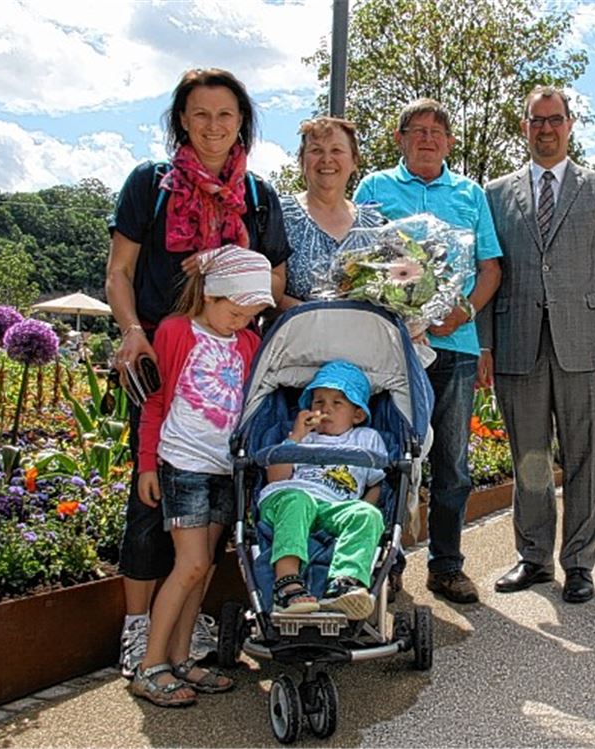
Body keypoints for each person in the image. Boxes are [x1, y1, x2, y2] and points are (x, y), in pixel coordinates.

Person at [106, 67, 291, 679]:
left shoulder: (258, 196)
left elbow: (274, 281)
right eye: (201, 114)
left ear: (242, 124)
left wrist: (228, 272)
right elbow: (120, 271)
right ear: (182, 120)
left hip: (227, 363)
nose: (214, 126)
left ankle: (185, 632)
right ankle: (140, 630)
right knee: (150, 500)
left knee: (215, 516)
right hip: (165, 355)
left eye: (226, 115)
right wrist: (132, 331)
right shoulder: (150, 184)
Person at [480, 86, 595, 604]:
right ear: (524, 126)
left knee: (585, 457)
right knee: (529, 456)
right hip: (517, 342)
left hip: (585, 344)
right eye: (536, 120)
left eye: (554, 119)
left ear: (570, 125)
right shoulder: (495, 193)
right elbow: (487, 271)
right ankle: (534, 557)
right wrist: (484, 345)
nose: (545, 129)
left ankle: (580, 563)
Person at [354, 98, 503, 604]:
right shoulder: (375, 187)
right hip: (392, 347)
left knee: (451, 464)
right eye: (417, 130)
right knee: (387, 455)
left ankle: (446, 566)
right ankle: (386, 565)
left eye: (437, 132)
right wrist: (398, 308)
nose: (427, 139)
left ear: (450, 142)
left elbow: (490, 268)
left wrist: (463, 312)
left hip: (454, 346)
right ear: (400, 139)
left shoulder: (470, 193)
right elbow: (359, 258)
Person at [129, 246, 273, 707]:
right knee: (189, 563)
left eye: (249, 316)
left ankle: (181, 656)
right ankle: (150, 665)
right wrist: (147, 463)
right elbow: (155, 401)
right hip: (184, 464)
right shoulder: (176, 332)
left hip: (224, 468)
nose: (240, 322)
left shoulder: (247, 342)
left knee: (205, 566)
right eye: (235, 312)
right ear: (210, 295)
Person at [258, 360, 387, 620]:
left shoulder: (366, 438)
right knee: (298, 500)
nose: (325, 408)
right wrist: (296, 436)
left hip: (335, 507)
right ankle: (287, 583)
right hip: (289, 499)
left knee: (368, 514)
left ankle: (344, 583)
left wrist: (363, 508)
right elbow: (275, 478)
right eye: (318, 402)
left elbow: (377, 483)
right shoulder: (303, 437)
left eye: (337, 403)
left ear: (357, 415)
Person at [279, 117, 385, 308]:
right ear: (302, 160)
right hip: (295, 327)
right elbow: (267, 295)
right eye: (316, 150)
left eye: (336, 150)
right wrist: (321, 317)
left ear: (354, 161)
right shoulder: (279, 215)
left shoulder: (377, 225)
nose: (327, 159)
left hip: (364, 328)